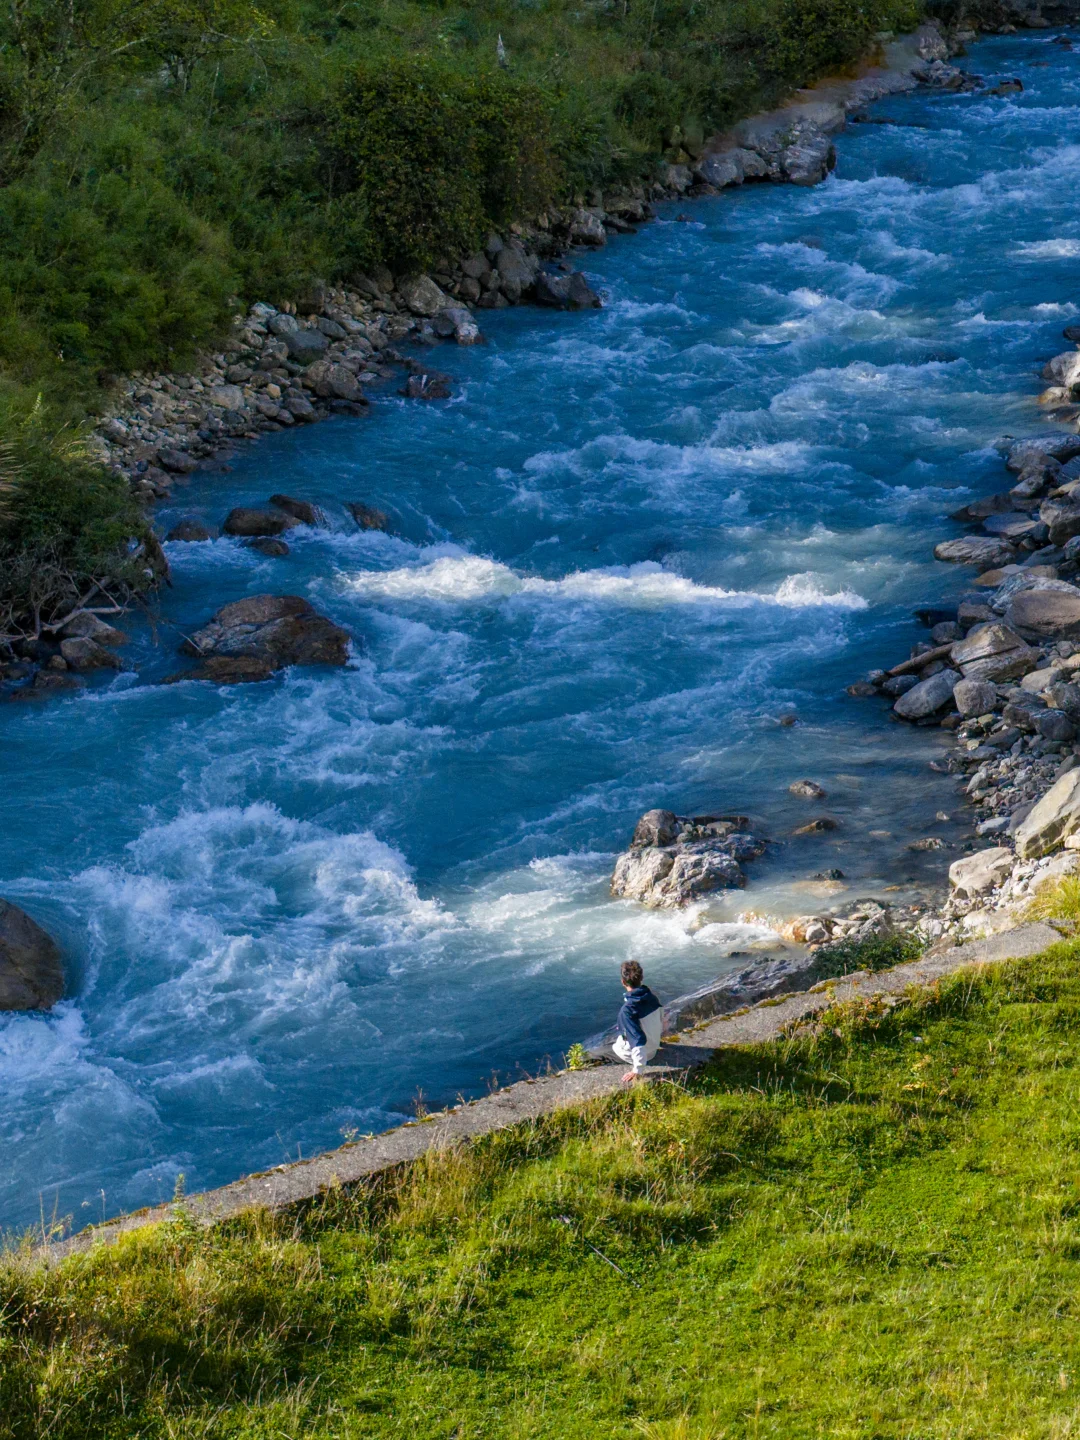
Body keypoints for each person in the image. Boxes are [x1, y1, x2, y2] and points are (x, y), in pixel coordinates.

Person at [613, 961, 663, 1083]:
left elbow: (638, 1041)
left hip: (642, 1054)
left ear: (623, 982)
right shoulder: (652, 998)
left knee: (594, 1053)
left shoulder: (627, 1010)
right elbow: (661, 1020)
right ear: (641, 979)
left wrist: (637, 1070)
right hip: (654, 1047)